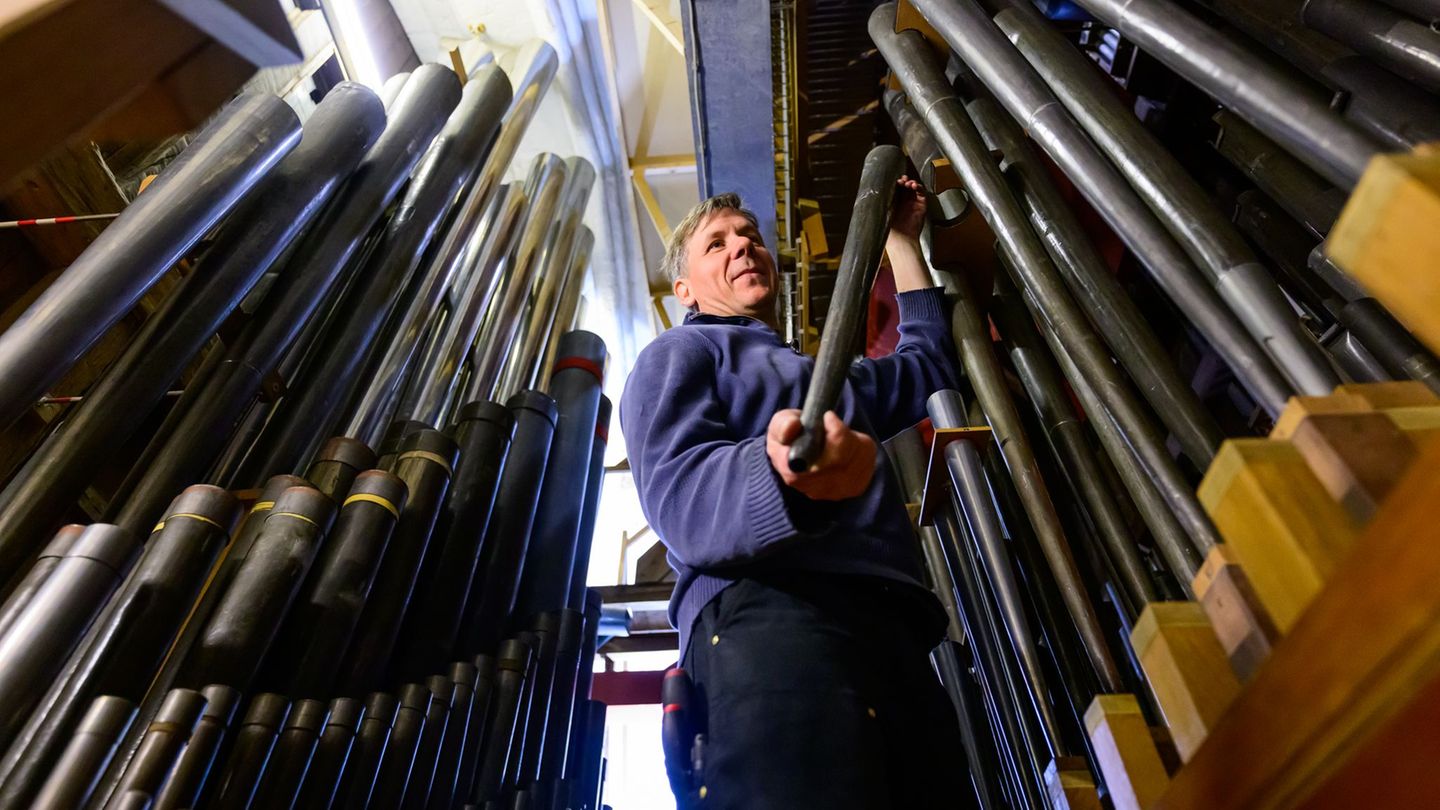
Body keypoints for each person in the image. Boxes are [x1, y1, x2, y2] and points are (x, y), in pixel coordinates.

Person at [620, 179, 974, 809]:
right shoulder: (678, 351)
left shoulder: (822, 376)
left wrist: (900, 242)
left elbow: (930, 368)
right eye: (718, 244)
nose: (743, 248)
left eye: (750, 237)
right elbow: (680, 493)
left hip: (889, 623)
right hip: (768, 614)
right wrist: (784, 475)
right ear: (684, 291)